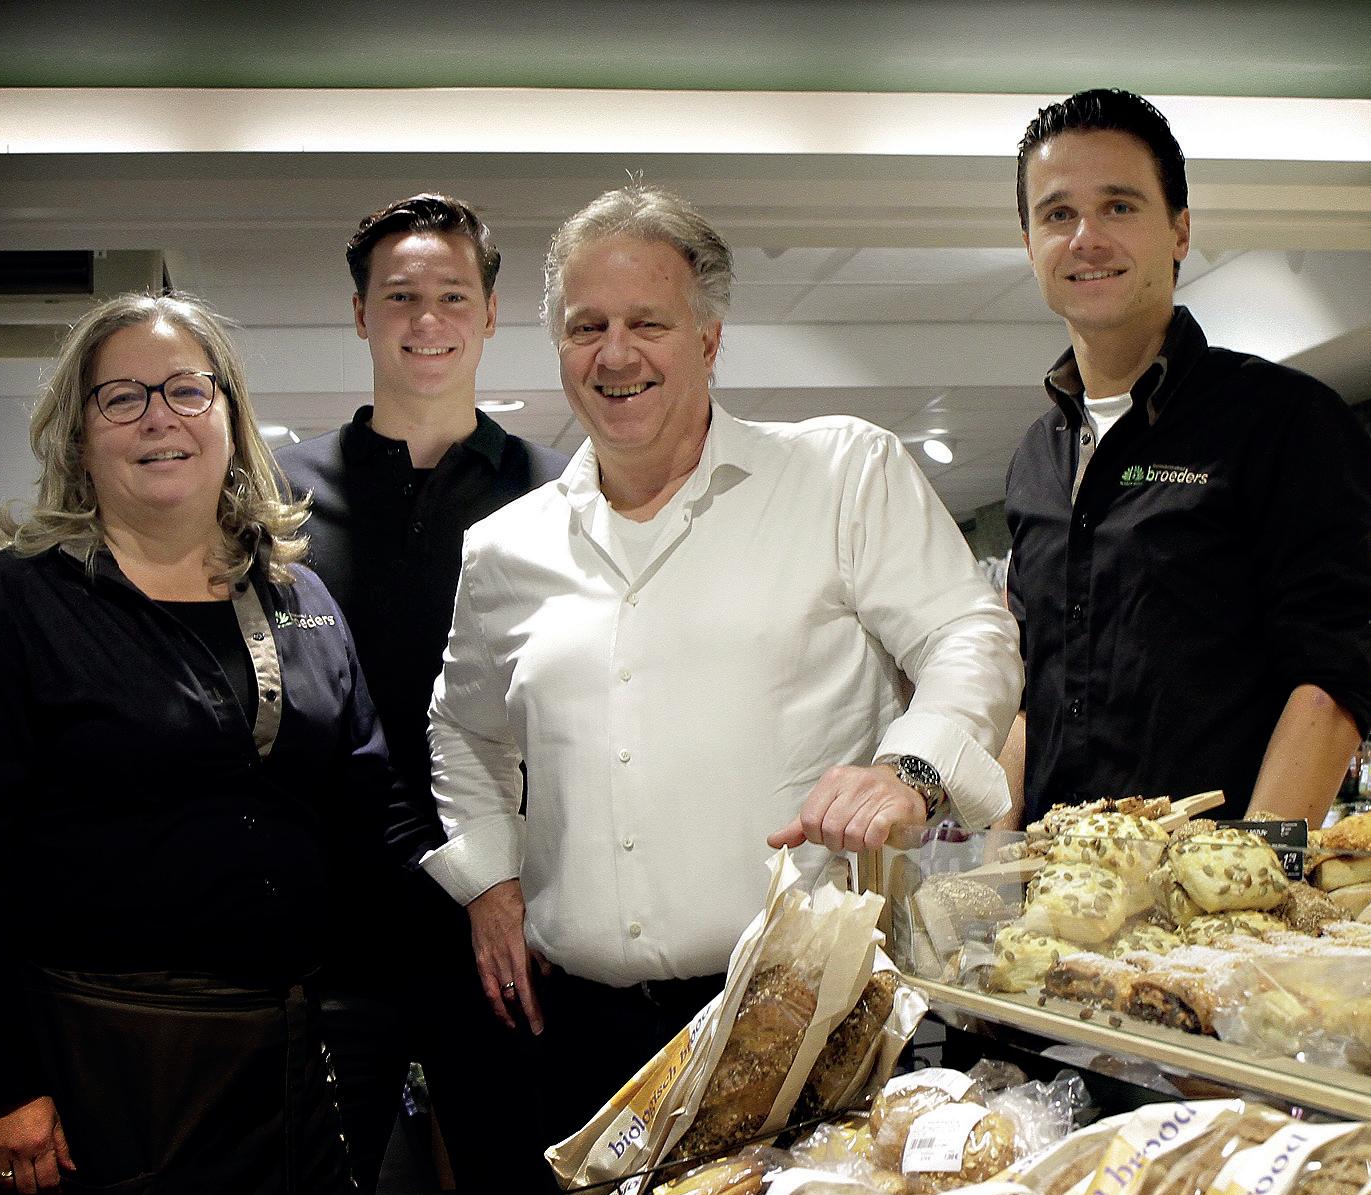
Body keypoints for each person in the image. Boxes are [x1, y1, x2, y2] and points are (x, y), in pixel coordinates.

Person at [423, 184, 1023, 1144]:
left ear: (708, 340)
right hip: (586, 1034)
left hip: (805, 1015)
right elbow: (461, 726)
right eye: (587, 327)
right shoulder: (505, 550)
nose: (615, 354)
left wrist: (910, 769)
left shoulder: (839, 474)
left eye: (648, 323)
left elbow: (968, 632)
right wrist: (489, 878)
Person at [0, 291, 426, 1195]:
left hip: (290, 1061)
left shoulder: (299, 599)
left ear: (229, 417)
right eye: (123, 397)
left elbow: (370, 805)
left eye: (188, 390)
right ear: (78, 431)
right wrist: (2, 1086)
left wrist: (483, 908)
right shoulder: (10, 607)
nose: (160, 418)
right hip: (109, 1070)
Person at [271, 192, 562, 1195]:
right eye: (400, 296)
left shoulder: (556, 490)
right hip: (332, 932)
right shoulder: (278, 501)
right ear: (360, 315)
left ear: (491, 315)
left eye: (452, 296)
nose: (426, 319)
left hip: (507, 923)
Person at [1001, 89, 1371, 825]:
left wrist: (1256, 872)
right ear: (1029, 245)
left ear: (1179, 229)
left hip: (1212, 881)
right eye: (1057, 214)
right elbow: (1028, 696)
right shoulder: (1036, 458)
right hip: (1056, 881)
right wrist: (995, 860)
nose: (1086, 238)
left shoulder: (1285, 421)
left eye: (1119, 207)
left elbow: (1329, 683)